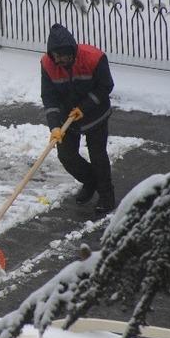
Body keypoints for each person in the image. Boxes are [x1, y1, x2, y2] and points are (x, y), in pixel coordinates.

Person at [40, 23, 116, 214]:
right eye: (57, 57)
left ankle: (107, 196)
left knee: (98, 155)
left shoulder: (94, 58)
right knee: (67, 156)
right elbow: (49, 97)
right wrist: (54, 127)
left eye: (64, 56)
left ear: (73, 51)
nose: (61, 61)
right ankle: (90, 181)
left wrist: (84, 107)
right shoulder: (47, 65)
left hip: (96, 113)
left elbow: (105, 86)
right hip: (67, 118)